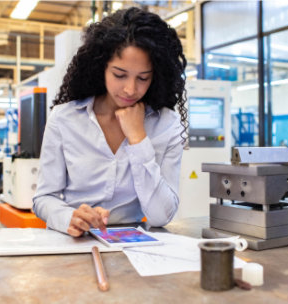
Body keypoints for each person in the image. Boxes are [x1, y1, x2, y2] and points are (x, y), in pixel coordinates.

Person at [33, 7, 187, 237]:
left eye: (143, 78)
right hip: (74, 242)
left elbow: (161, 216)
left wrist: (138, 138)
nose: (130, 89)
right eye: (119, 74)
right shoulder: (64, 118)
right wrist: (68, 217)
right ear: (101, 66)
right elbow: (44, 197)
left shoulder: (167, 125)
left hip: (133, 248)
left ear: (156, 76)